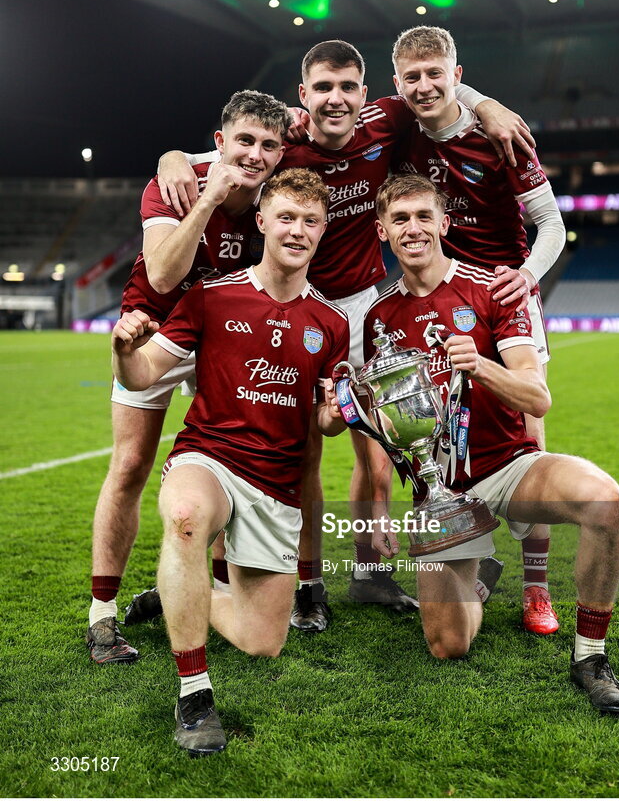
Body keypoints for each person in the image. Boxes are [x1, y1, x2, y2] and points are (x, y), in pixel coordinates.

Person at [157, 41, 535, 633]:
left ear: (365, 93)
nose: (337, 99)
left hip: (361, 305)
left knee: (382, 448)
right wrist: (172, 156)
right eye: (324, 88)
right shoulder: (284, 139)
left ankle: (368, 573)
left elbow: (436, 93)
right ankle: (273, 577)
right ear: (302, 98)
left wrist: (484, 103)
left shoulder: (386, 119)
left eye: (348, 87)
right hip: (292, 301)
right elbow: (226, 148)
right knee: (290, 445)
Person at [361, 174, 619, 716]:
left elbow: (537, 397)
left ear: (443, 223)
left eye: (423, 216)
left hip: (509, 469)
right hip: (439, 494)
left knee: (605, 500)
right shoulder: (378, 318)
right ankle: (479, 581)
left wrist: (480, 365)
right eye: (399, 219)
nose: (412, 228)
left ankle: (591, 657)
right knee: (448, 645)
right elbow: (387, 426)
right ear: (381, 231)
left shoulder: (492, 288)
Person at [111, 169, 350, 756]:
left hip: (276, 484)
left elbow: (325, 423)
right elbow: (142, 375)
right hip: (208, 458)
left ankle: (176, 592)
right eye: (286, 218)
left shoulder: (333, 324)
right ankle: (194, 697)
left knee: (260, 641)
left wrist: (340, 414)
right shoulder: (210, 297)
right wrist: (122, 351)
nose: (297, 231)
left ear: (323, 231)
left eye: (310, 221)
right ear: (262, 221)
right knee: (188, 516)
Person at [86, 90, 290, 664]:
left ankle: (210, 588)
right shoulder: (176, 182)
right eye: (244, 141)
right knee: (128, 465)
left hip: (225, 337)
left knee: (232, 463)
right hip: (151, 324)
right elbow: (161, 270)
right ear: (220, 141)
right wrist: (206, 198)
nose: (254, 155)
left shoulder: (277, 195)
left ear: (281, 152)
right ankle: (101, 614)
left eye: (268, 145)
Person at [389, 26, 566, 632]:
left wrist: (525, 277)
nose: (424, 85)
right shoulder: (399, 128)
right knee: (435, 439)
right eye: (412, 76)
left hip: (500, 294)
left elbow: (552, 226)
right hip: (436, 298)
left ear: (457, 74)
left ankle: (537, 589)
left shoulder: (501, 136)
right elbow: (328, 116)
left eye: (435, 73)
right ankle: (465, 554)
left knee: (530, 439)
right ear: (398, 84)